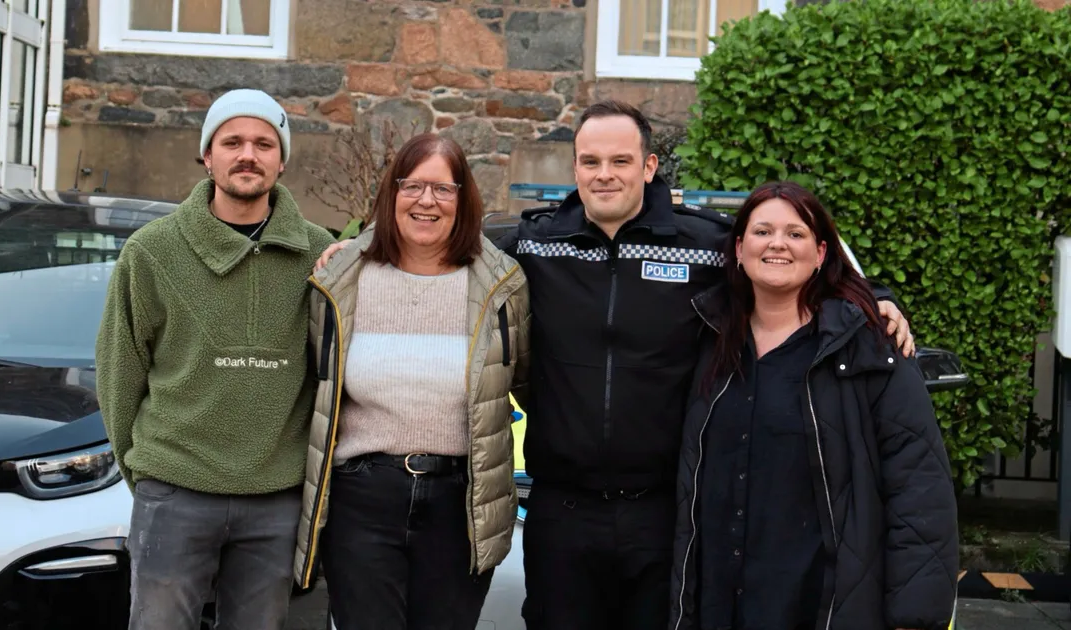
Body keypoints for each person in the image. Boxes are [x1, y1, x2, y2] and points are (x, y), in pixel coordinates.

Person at [313, 100, 913, 629]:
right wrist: (355, 248)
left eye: (621, 161)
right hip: (558, 509)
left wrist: (876, 298)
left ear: (649, 167)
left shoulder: (705, 246)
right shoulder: (532, 245)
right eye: (591, 161)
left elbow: (785, 259)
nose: (605, 174)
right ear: (575, 168)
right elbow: (440, 233)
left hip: (664, 509)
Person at [95, 88, 336, 630]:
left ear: (282, 158)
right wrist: (150, 478)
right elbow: (118, 375)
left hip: (276, 500)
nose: (247, 154)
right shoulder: (152, 251)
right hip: (175, 492)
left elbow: (335, 370)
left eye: (263, 143)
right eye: (231, 141)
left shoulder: (317, 253)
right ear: (208, 155)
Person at [669, 181, 958, 630]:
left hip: (821, 606)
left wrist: (915, 616)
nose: (778, 244)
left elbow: (919, 485)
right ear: (740, 248)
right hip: (718, 604)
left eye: (796, 233)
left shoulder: (867, 347)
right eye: (762, 232)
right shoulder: (706, 339)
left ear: (821, 253)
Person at [291, 133, 530, 629]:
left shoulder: (503, 285)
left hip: (460, 505)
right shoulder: (342, 279)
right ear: (391, 193)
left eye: (443, 189)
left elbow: (526, 380)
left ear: (463, 199)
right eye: (413, 185)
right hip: (361, 502)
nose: (427, 201)